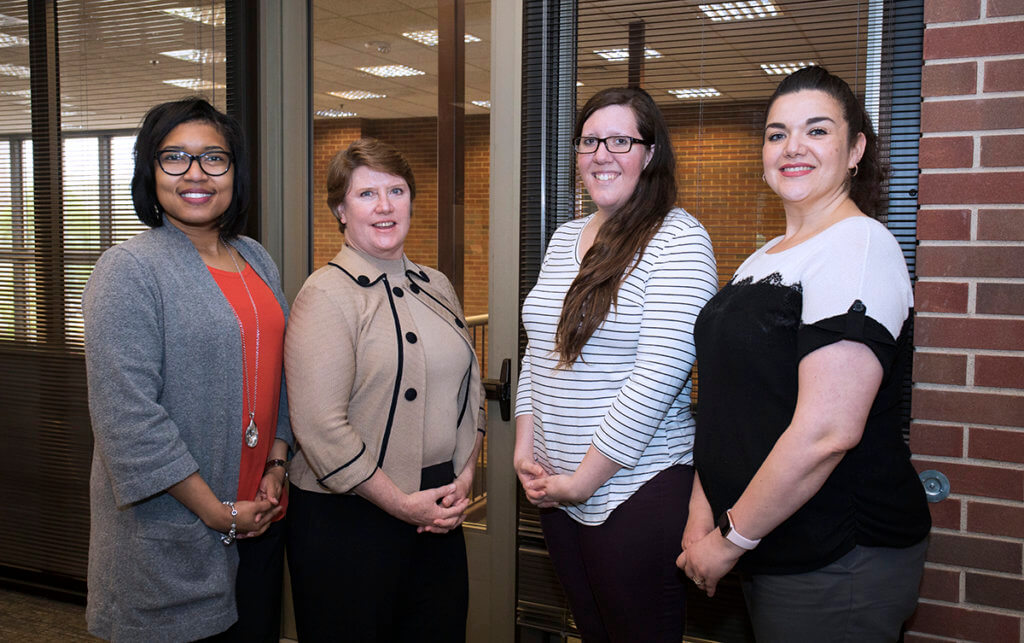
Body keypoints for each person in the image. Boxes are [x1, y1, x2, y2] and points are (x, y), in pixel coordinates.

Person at [678, 65, 931, 641]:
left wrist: (729, 539)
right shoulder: (766, 256)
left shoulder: (859, 245)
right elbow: (727, 404)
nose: (792, 147)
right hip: (762, 540)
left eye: (817, 131)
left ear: (855, 149)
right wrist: (704, 512)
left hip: (837, 556)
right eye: (776, 134)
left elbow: (827, 432)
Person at [83, 98, 292, 641]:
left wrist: (277, 461)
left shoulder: (256, 258)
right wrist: (219, 513)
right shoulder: (129, 270)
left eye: (213, 158)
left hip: (260, 521)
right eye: (174, 157)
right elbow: (129, 421)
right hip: (172, 538)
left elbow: (280, 373)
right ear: (150, 171)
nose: (195, 173)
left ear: (234, 172)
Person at [514, 87, 718, 642]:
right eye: (589, 141)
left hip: (634, 489)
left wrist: (582, 481)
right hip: (558, 490)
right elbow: (539, 348)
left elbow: (660, 375)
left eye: (620, 140)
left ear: (649, 154)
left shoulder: (678, 239)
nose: (601, 153)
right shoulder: (564, 238)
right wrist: (525, 448)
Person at [284, 137, 485, 643]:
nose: (384, 206)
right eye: (366, 194)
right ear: (340, 210)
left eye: (396, 191)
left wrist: (464, 476)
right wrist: (399, 503)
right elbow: (320, 429)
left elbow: (471, 393)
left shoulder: (437, 284)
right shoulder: (324, 295)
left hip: (438, 507)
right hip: (349, 517)